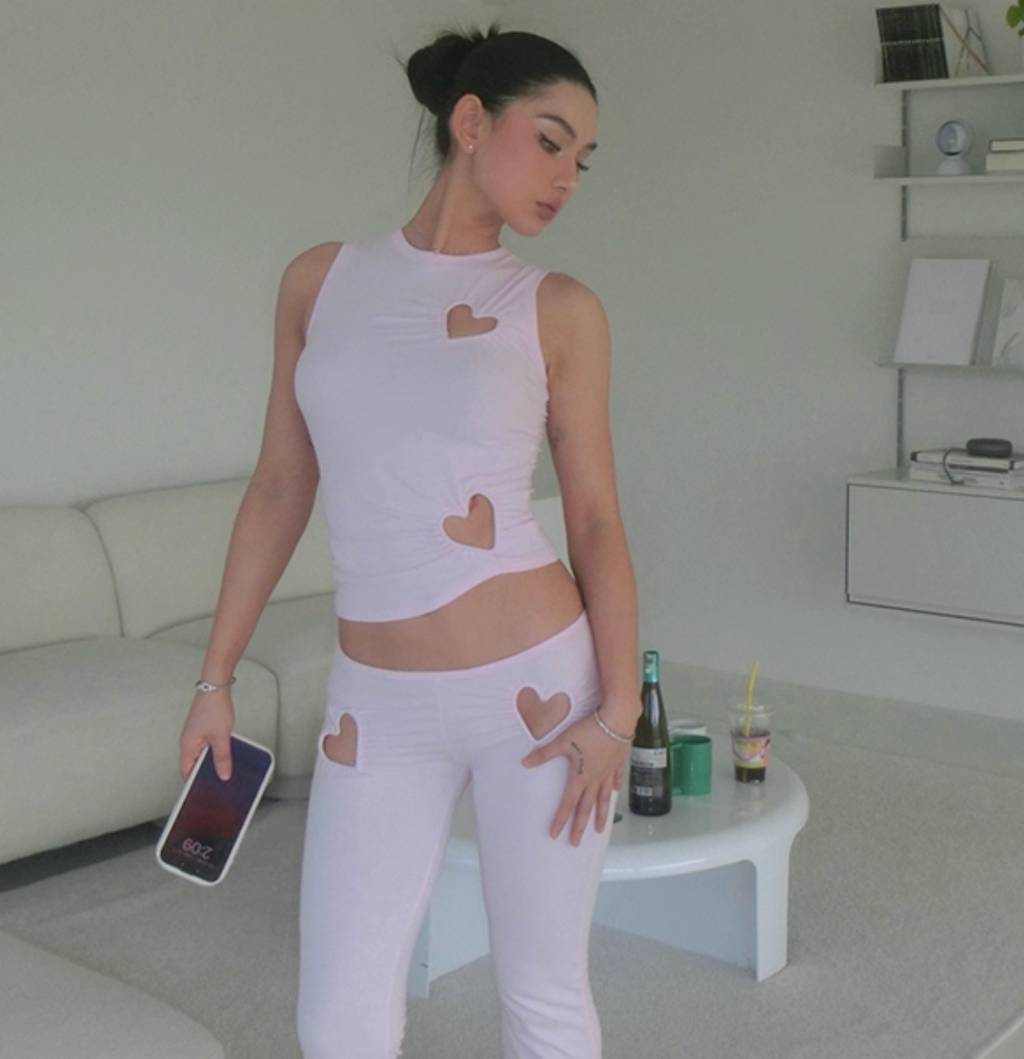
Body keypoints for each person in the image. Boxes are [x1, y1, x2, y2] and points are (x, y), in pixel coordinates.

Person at [177, 25, 638, 1059]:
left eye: (583, 159)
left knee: (542, 994)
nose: (567, 178)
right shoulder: (318, 283)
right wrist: (214, 679)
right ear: (471, 122)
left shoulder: (557, 309)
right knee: (336, 1013)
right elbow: (279, 486)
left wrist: (618, 711)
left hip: (537, 688)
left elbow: (596, 520)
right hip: (373, 702)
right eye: (550, 141)